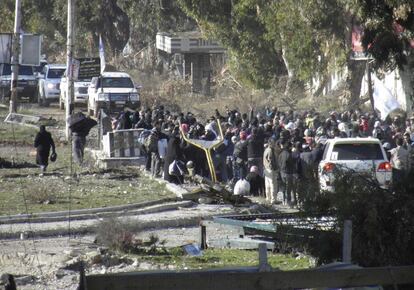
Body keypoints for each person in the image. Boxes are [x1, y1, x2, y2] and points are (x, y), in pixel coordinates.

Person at [263, 139, 278, 204]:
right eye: (273, 143)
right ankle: (273, 199)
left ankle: (268, 198)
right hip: (271, 169)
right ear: (270, 144)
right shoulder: (270, 151)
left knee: (267, 184)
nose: (274, 144)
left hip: (266, 168)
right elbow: (271, 161)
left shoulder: (266, 149)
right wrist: (275, 168)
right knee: (273, 184)